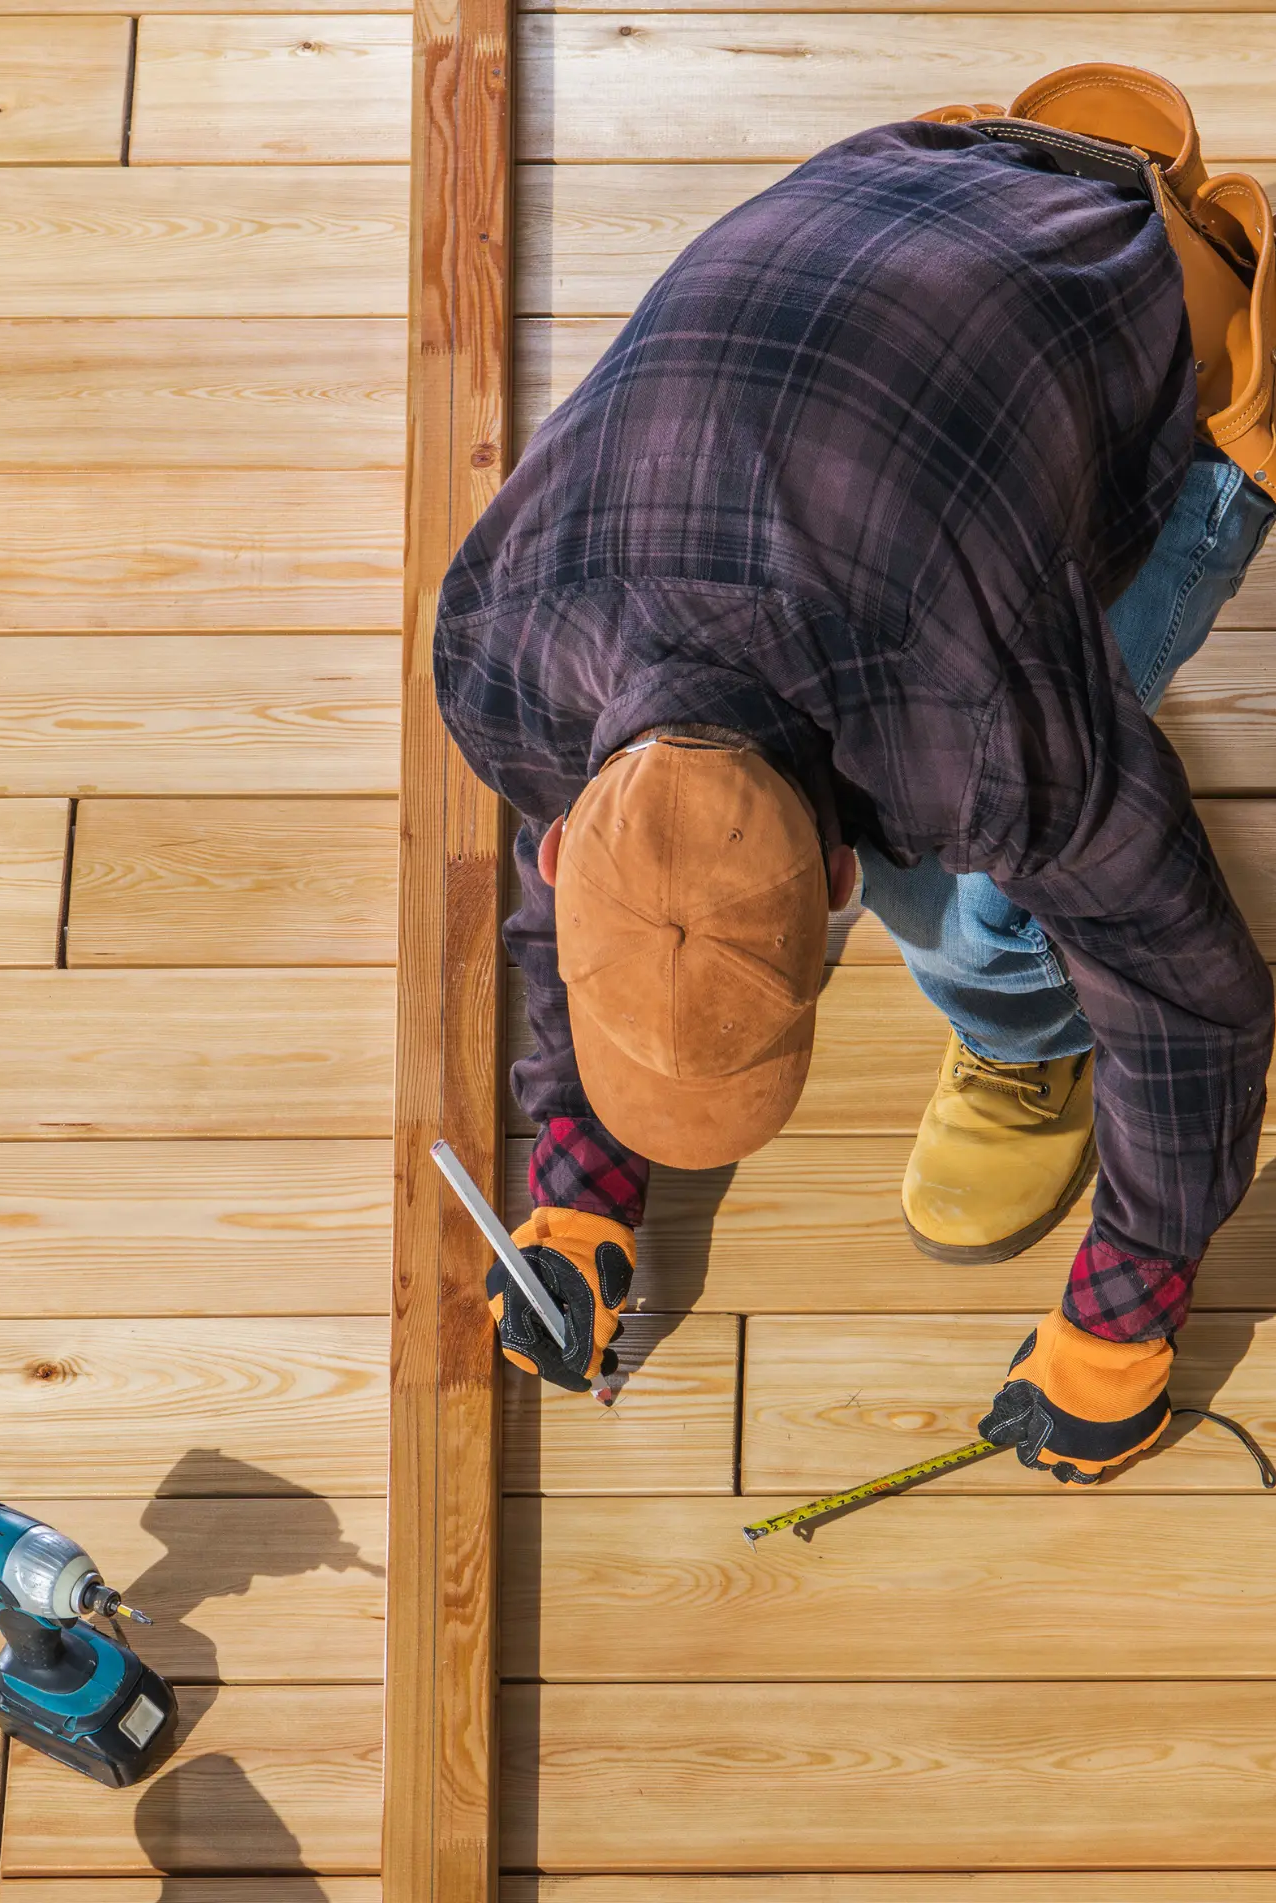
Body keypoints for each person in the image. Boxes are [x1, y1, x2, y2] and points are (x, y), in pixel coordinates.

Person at [433, 104, 1276, 1485]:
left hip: (1158, 313)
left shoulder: (965, 722)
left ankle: (1022, 1043)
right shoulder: (499, 654)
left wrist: (1127, 1310)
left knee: (973, 904)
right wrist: (575, 1173)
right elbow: (584, 904)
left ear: (830, 887)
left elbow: (1191, 995)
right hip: (906, 180)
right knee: (977, 820)